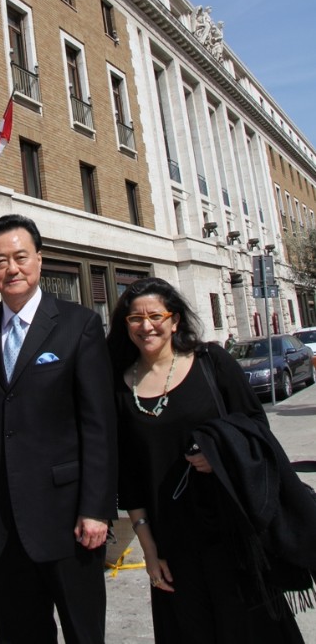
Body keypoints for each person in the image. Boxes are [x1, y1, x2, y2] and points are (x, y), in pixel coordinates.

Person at [108, 276, 312, 644]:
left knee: (253, 631)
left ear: (175, 320)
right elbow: (131, 478)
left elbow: (256, 427)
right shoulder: (119, 386)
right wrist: (150, 553)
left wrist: (220, 453)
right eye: (134, 318)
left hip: (232, 528)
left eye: (156, 315)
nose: (146, 325)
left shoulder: (210, 362)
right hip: (174, 543)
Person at [0, 214, 117, 644]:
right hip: (4, 522)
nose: (11, 269)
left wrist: (96, 508)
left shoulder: (78, 324)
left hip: (69, 519)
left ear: (39, 260)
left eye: (20, 257)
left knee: (83, 631)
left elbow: (99, 425)